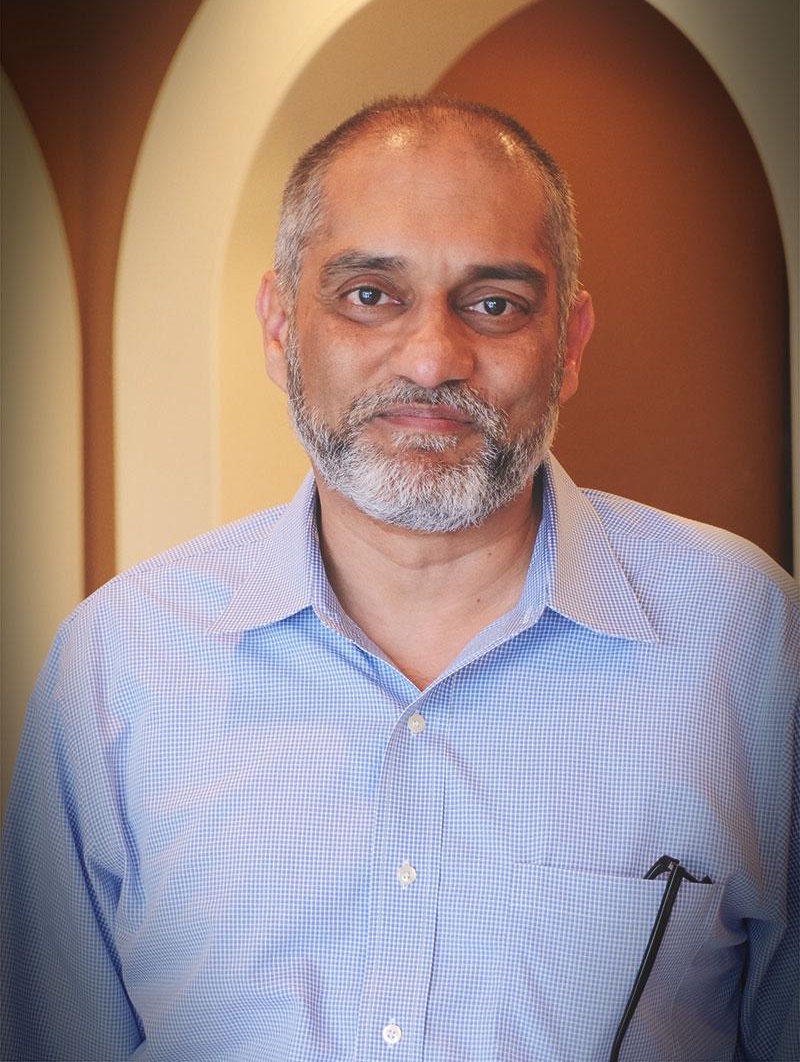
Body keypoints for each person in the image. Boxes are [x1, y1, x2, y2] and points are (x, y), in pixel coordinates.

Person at [1, 95, 797, 1062]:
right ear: (279, 327)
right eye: (370, 294)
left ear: (571, 343)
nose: (431, 359)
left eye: (494, 303)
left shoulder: (747, 638)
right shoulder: (116, 662)